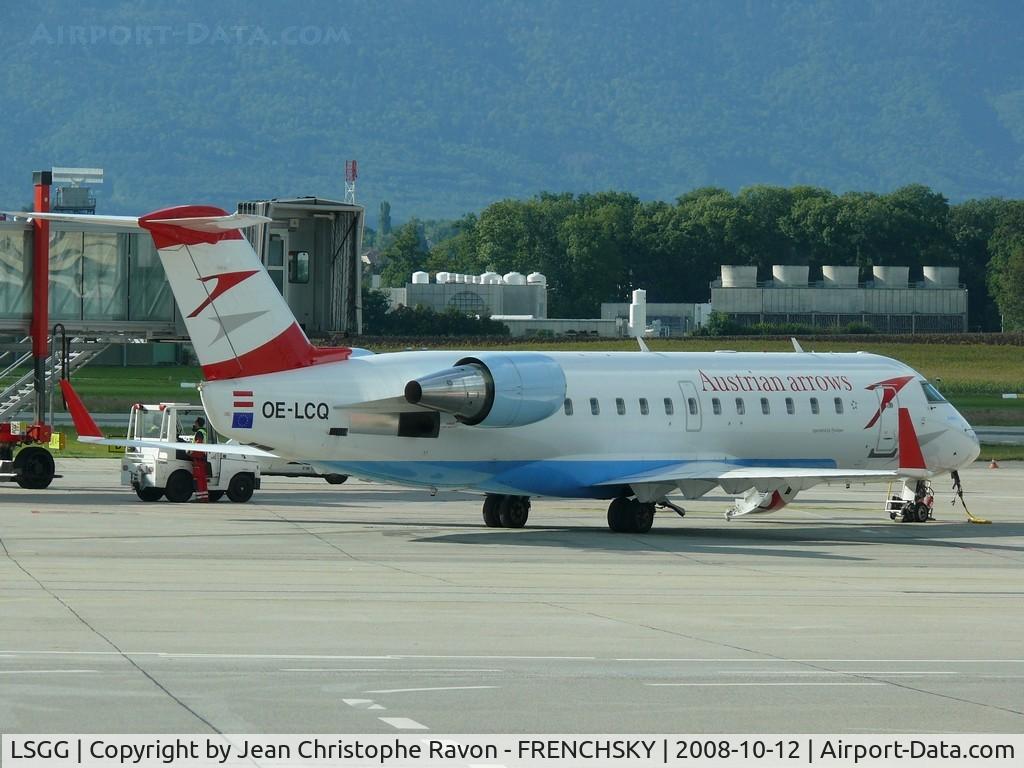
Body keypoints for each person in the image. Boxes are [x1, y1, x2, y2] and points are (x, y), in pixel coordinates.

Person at [190, 417, 210, 502]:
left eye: (194, 423)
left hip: (198, 458)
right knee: (203, 479)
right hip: (203, 458)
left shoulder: (199, 433)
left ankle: (200, 498)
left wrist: (190, 454)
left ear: (197, 423)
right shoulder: (204, 432)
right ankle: (205, 497)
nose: (193, 424)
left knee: (198, 479)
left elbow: (198, 444)